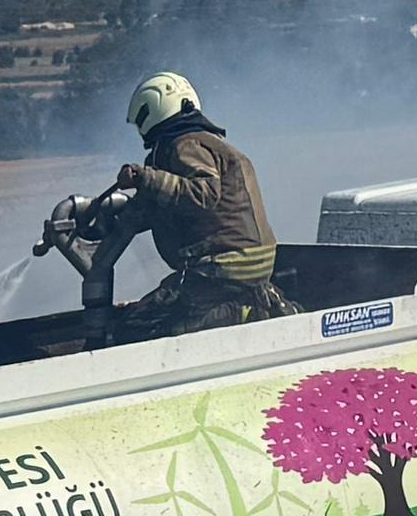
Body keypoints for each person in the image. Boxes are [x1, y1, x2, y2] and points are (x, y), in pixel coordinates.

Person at [71, 72, 283, 332]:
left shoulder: (186, 145)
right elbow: (153, 208)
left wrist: (144, 177)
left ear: (153, 109)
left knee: (141, 327)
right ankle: (247, 304)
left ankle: (243, 312)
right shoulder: (209, 144)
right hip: (247, 266)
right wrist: (102, 224)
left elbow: (204, 194)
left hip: (219, 269)